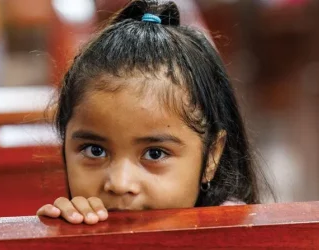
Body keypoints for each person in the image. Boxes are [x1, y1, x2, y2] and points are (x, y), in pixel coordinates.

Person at [37, 0, 271, 225]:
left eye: (155, 154)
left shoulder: (235, 237)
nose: (119, 183)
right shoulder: (77, 225)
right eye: (95, 151)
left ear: (211, 156)